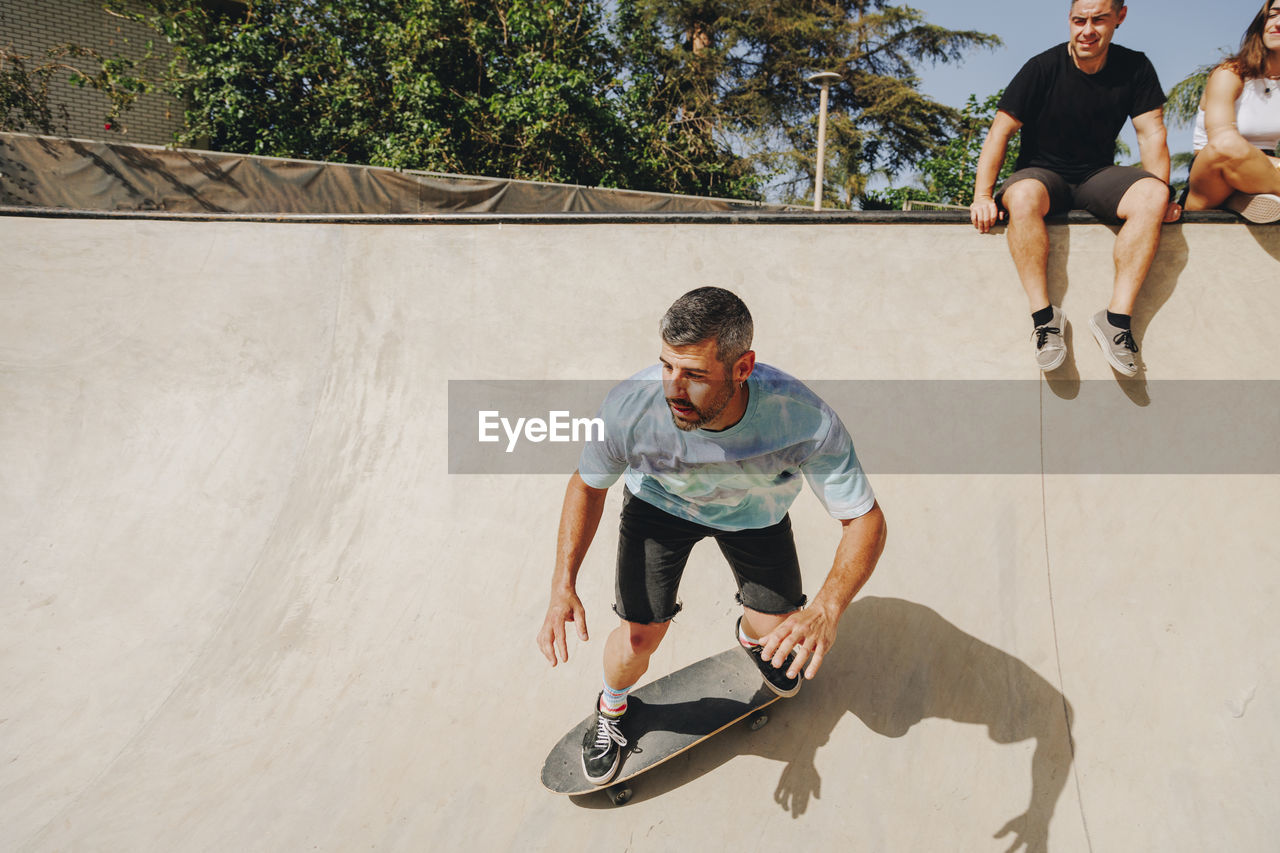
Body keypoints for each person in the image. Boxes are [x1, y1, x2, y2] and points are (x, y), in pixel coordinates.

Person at [536, 287, 887, 786]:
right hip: (659, 507)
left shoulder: (803, 419)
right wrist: (562, 584)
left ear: (742, 369)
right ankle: (611, 710)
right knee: (639, 637)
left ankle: (752, 633)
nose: (673, 390)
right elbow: (587, 484)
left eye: (695, 375)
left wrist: (827, 609)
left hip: (753, 515)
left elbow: (865, 519)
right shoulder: (630, 407)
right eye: (667, 367)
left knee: (778, 636)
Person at [970, 0, 1182, 377]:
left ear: (1120, 17)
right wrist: (983, 195)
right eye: (1078, 20)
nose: (1087, 30)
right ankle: (1045, 321)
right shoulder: (1042, 67)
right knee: (1020, 195)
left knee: (1153, 193)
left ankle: (1116, 321)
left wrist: (1162, 192)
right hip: (1042, 175)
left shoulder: (1135, 67)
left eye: (1098, 20)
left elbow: (1151, 134)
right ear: (1069, 21)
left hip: (1097, 176)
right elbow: (1000, 131)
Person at [1184, 0, 1280, 223]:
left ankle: (1242, 196)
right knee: (1228, 145)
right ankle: (1240, 193)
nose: (1278, 23)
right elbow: (1221, 140)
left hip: (1263, 171)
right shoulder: (1230, 73)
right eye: (1274, 14)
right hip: (1212, 168)